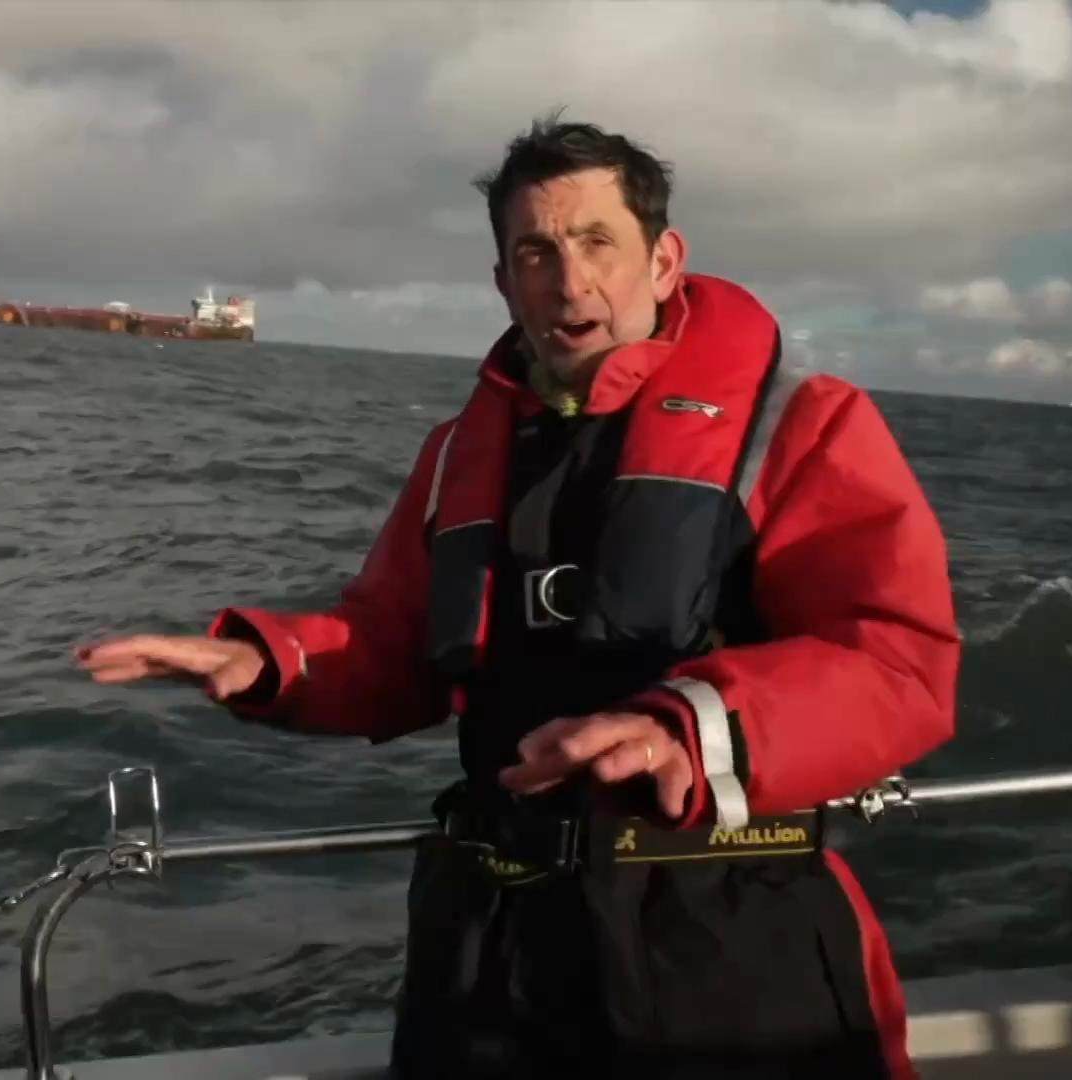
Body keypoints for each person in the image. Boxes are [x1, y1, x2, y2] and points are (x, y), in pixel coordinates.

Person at [77, 116, 959, 1079]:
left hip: (725, 927)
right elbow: (398, 644)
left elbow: (898, 661)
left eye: (596, 243)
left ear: (663, 261)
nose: (569, 282)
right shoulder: (460, 451)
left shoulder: (804, 425)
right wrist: (270, 662)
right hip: (492, 941)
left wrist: (686, 731)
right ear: (503, 281)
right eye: (535, 251)